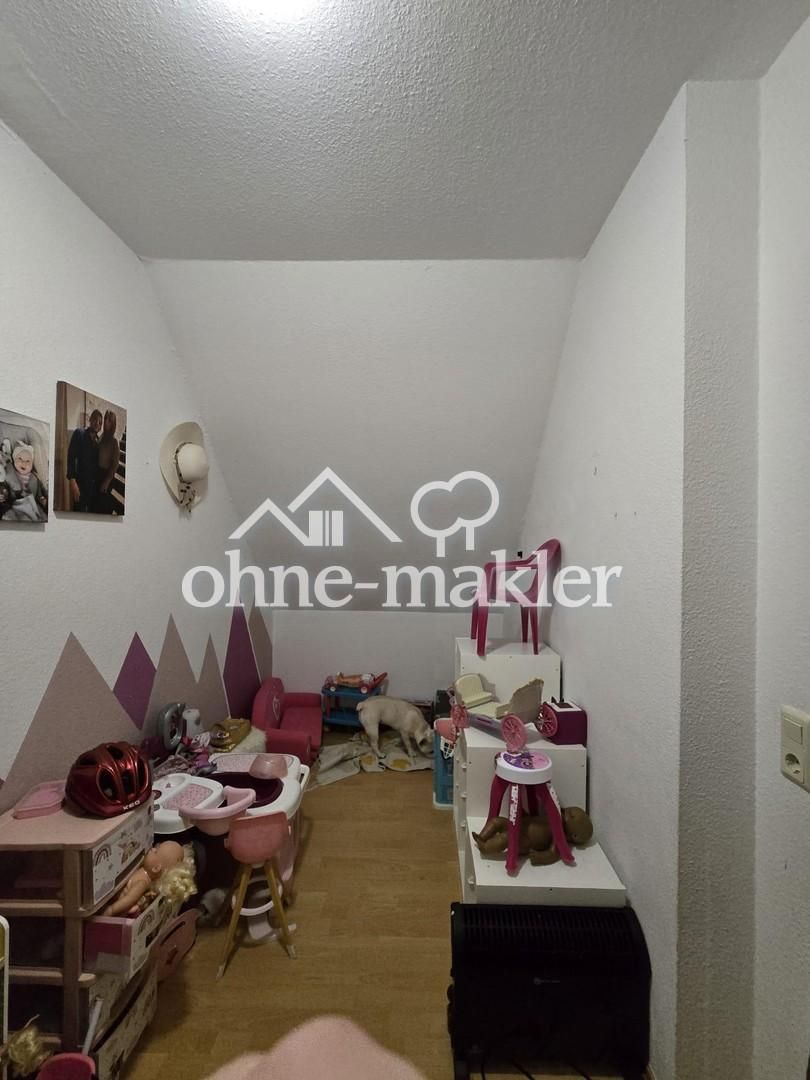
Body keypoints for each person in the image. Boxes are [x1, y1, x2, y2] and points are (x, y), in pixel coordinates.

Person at [66, 409, 102, 511]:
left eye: (100, 422)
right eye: (95, 419)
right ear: (90, 420)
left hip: (93, 488)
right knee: (78, 512)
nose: (97, 423)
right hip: (79, 484)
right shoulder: (79, 433)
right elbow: (71, 457)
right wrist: (73, 482)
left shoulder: (98, 442)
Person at [4, 443, 48, 522]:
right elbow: (4, 486)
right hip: (15, 505)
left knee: (40, 516)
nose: (24, 463)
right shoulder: (9, 474)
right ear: (14, 460)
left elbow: (39, 493)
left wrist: (42, 499)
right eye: (20, 459)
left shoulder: (35, 478)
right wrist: (4, 494)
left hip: (32, 505)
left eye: (28, 461)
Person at [92, 409, 121, 514]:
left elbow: (115, 465)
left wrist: (107, 482)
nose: (105, 421)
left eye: (109, 420)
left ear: (113, 424)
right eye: (105, 418)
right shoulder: (102, 437)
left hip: (106, 476)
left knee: (102, 506)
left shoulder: (114, 442)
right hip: (98, 474)